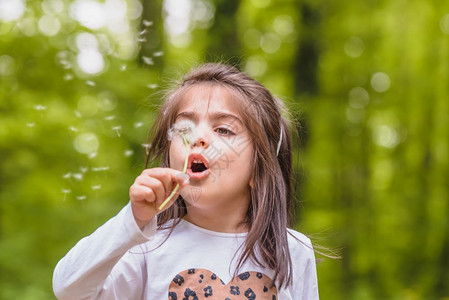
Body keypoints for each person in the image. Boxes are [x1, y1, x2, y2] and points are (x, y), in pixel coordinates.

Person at [53, 63, 319, 299]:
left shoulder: (293, 251)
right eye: (183, 129)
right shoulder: (147, 248)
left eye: (223, 129)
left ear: (260, 170)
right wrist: (132, 221)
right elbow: (69, 289)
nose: (198, 138)